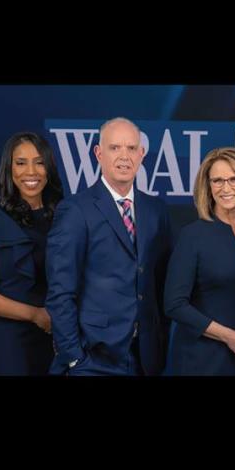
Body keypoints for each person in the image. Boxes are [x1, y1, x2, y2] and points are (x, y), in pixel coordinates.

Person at [46, 117, 172, 376]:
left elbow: (161, 283)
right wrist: (74, 358)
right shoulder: (75, 210)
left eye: (131, 148)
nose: (124, 156)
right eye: (115, 148)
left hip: (145, 357)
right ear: (98, 153)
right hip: (93, 358)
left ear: (141, 155)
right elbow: (60, 292)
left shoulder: (156, 210)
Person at [0, 132, 63, 375]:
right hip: (8, 340)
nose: (31, 171)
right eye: (20, 163)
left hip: (56, 337)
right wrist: (34, 315)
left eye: (39, 162)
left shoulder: (65, 215)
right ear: (9, 169)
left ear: (49, 168)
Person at [164, 147, 235, 375]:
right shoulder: (193, 235)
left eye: (234, 179)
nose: (226, 188)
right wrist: (229, 337)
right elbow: (174, 304)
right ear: (208, 186)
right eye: (218, 181)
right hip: (202, 360)